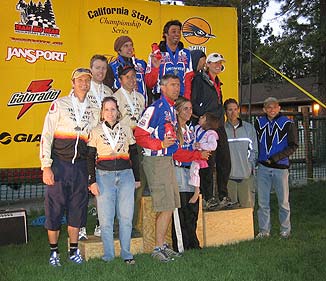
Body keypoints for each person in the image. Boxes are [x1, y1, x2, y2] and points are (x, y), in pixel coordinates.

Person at [135, 74, 209, 262]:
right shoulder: (156, 108)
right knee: (166, 205)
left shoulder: (171, 111)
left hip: (168, 160)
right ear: (163, 87)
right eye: (173, 85)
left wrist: (195, 155)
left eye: (178, 85)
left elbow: (174, 149)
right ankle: (157, 248)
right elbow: (140, 134)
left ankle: (163, 245)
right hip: (156, 161)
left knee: (171, 204)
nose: (177, 88)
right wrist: (160, 145)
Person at [40, 68, 98, 267]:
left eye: (87, 80)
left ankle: (73, 251)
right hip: (59, 166)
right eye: (80, 80)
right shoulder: (60, 104)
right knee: (54, 210)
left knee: (77, 209)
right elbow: (46, 135)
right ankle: (54, 253)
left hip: (80, 167)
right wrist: (46, 166)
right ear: (73, 82)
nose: (84, 83)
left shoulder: (94, 109)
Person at [87, 96, 140, 264]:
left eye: (113, 109)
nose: (110, 113)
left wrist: (137, 178)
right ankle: (108, 255)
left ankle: (126, 253)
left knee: (126, 217)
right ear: (102, 113)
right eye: (106, 109)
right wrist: (92, 181)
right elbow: (89, 158)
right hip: (104, 177)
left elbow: (135, 154)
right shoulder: (95, 131)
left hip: (126, 176)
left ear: (118, 112)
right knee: (106, 219)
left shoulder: (126, 129)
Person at [79, 54, 114, 240]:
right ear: (91, 69)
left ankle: (102, 225)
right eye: (97, 68)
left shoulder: (109, 91)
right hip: (85, 144)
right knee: (84, 187)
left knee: (102, 187)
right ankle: (81, 226)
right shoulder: (83, 89)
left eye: (104, 68)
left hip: (103, 146)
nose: (101, 71)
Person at [191, 52, 231, 209]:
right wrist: (203, 117)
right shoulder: (200, 80)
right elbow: (193, 101)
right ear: (207, 64)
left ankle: (223, 195)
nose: (218, 65)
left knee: (225, 160)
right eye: (214, 62)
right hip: (207, 125)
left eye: (220, 62)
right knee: (207, 162)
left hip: (219, 124)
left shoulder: (217, 82)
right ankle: (208, 198)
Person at [255, 97, 298, 239]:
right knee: (262, 202)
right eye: (268, 107)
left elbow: (293, 146)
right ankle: (264, 231)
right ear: (264, 109)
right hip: (262, 168)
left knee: (283, 202)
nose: (271, 109)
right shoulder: (258, 122)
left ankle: (285, 230)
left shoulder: (287, 123)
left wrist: (276, 158)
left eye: (274, 107)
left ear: (279, 108)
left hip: (281, 168)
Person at [172, 97, 211, 252]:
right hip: (178, 171)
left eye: (190, 108)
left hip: (192, 172)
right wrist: (197, 155)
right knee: (180, 210)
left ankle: (193, 243)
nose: (189, 112)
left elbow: (195, 152)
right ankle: (181, 245)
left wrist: (200, 152)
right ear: (177, 111)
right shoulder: (172, 130)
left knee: (192, 209)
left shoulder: (191, 130)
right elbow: (176, 154)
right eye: (185, 109)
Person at [113, 65, 145, 236]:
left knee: (138, 185)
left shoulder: (140, 97)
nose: (132, 80)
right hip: (122, 145)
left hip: (138, 144)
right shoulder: (115, 97)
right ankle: (118, 224)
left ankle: (131, 225)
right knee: (121, 185)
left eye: (134, 76)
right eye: (128, 77)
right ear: (120, 80)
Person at [145, 20, 193, 100]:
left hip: (180, 98)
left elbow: (188, 79)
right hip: (161, 97)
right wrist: (155, 68)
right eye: (173, 32)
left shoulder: (186, 53)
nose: (177, 34)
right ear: (165, 34)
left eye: (178, 32)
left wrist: (186, 99)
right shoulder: (157, 54)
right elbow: (149, 83)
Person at [224, 98, 258, 208]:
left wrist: (249, 166)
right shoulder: (222, 130)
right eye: (230, 110)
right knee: (230, 212)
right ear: (225, 112)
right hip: (229, 178)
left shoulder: (249, 128)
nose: (233, 112)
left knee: (247, 210)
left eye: (235, 109)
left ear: (238, 110)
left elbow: (254, 150)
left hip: (246, 176)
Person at [104, 36, 148, 105]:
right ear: (118, 50)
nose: (130, 48)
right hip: (122, 106)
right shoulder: (112, 67)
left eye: (131, 45)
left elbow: (148, 85)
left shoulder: (141, 63)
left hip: (141, 105)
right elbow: (107, 90)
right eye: (126, 46)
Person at [191, 112, 219, 210]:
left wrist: (202, 146)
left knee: (206, 178)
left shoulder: (210, 134)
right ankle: (199, 197)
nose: (200, 117)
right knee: (197, 179)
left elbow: (213, 146)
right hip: (196, 158)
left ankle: (208, 198)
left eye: (203, 117)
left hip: (205, 160)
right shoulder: (196, 128)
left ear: (207, 122)